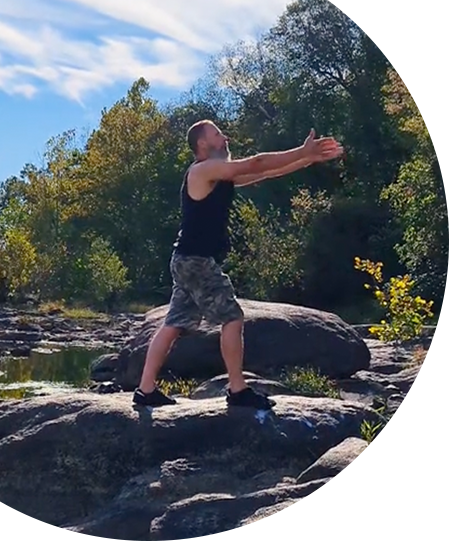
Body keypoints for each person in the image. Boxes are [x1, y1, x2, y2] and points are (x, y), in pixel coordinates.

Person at [132, 120, 344, 408]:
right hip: (196, 261)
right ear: (203, 145)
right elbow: (255, 162)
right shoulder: (203, 170)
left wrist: (307, 158)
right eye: (218, 135)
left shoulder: (220, 175)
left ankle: (145, 390)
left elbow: (265, 172)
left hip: (186, 260)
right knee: (232, 318)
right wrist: (301, 150)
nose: (225, 137)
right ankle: (237, 389)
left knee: (173, 324)